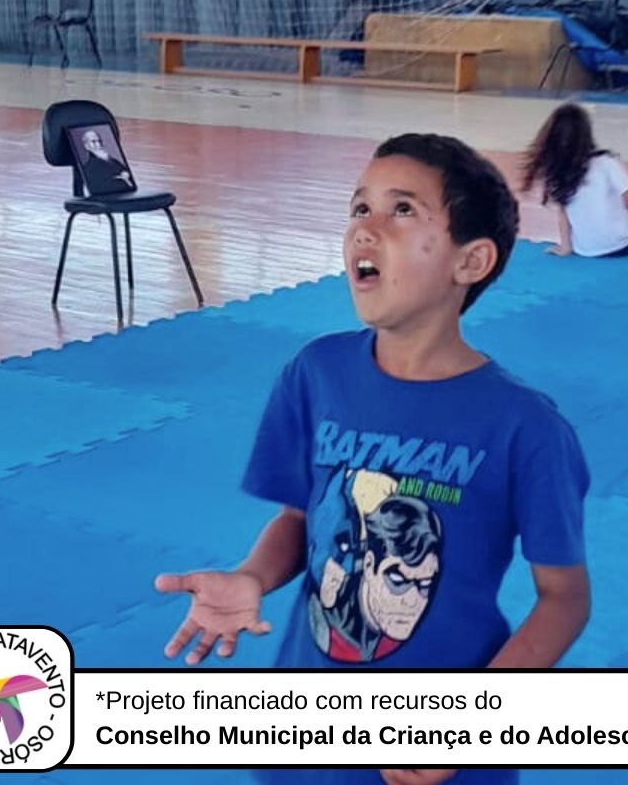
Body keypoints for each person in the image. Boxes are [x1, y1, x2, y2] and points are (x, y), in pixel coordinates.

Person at [156, 133, 592, 785]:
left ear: (471, 261)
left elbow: (565, 598)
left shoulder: (525, 427)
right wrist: (251, 577)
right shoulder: (316, 373)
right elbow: (301, 519)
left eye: (402, 210)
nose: (366, 228)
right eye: (360, 208)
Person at [521, 102, 628, 260]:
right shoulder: (605, 163)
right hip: (623, 245)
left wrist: (565, 247)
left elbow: (563, 212)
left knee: (616, 199)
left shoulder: (555, 172)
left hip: (586, 249)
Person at [72, 125, 134, 195]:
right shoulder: (90, 167)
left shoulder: (111, 160)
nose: (98, 144)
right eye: (93, 142)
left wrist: (125, 173)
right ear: (86, 146)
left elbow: (124, 170)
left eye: (99, 141)